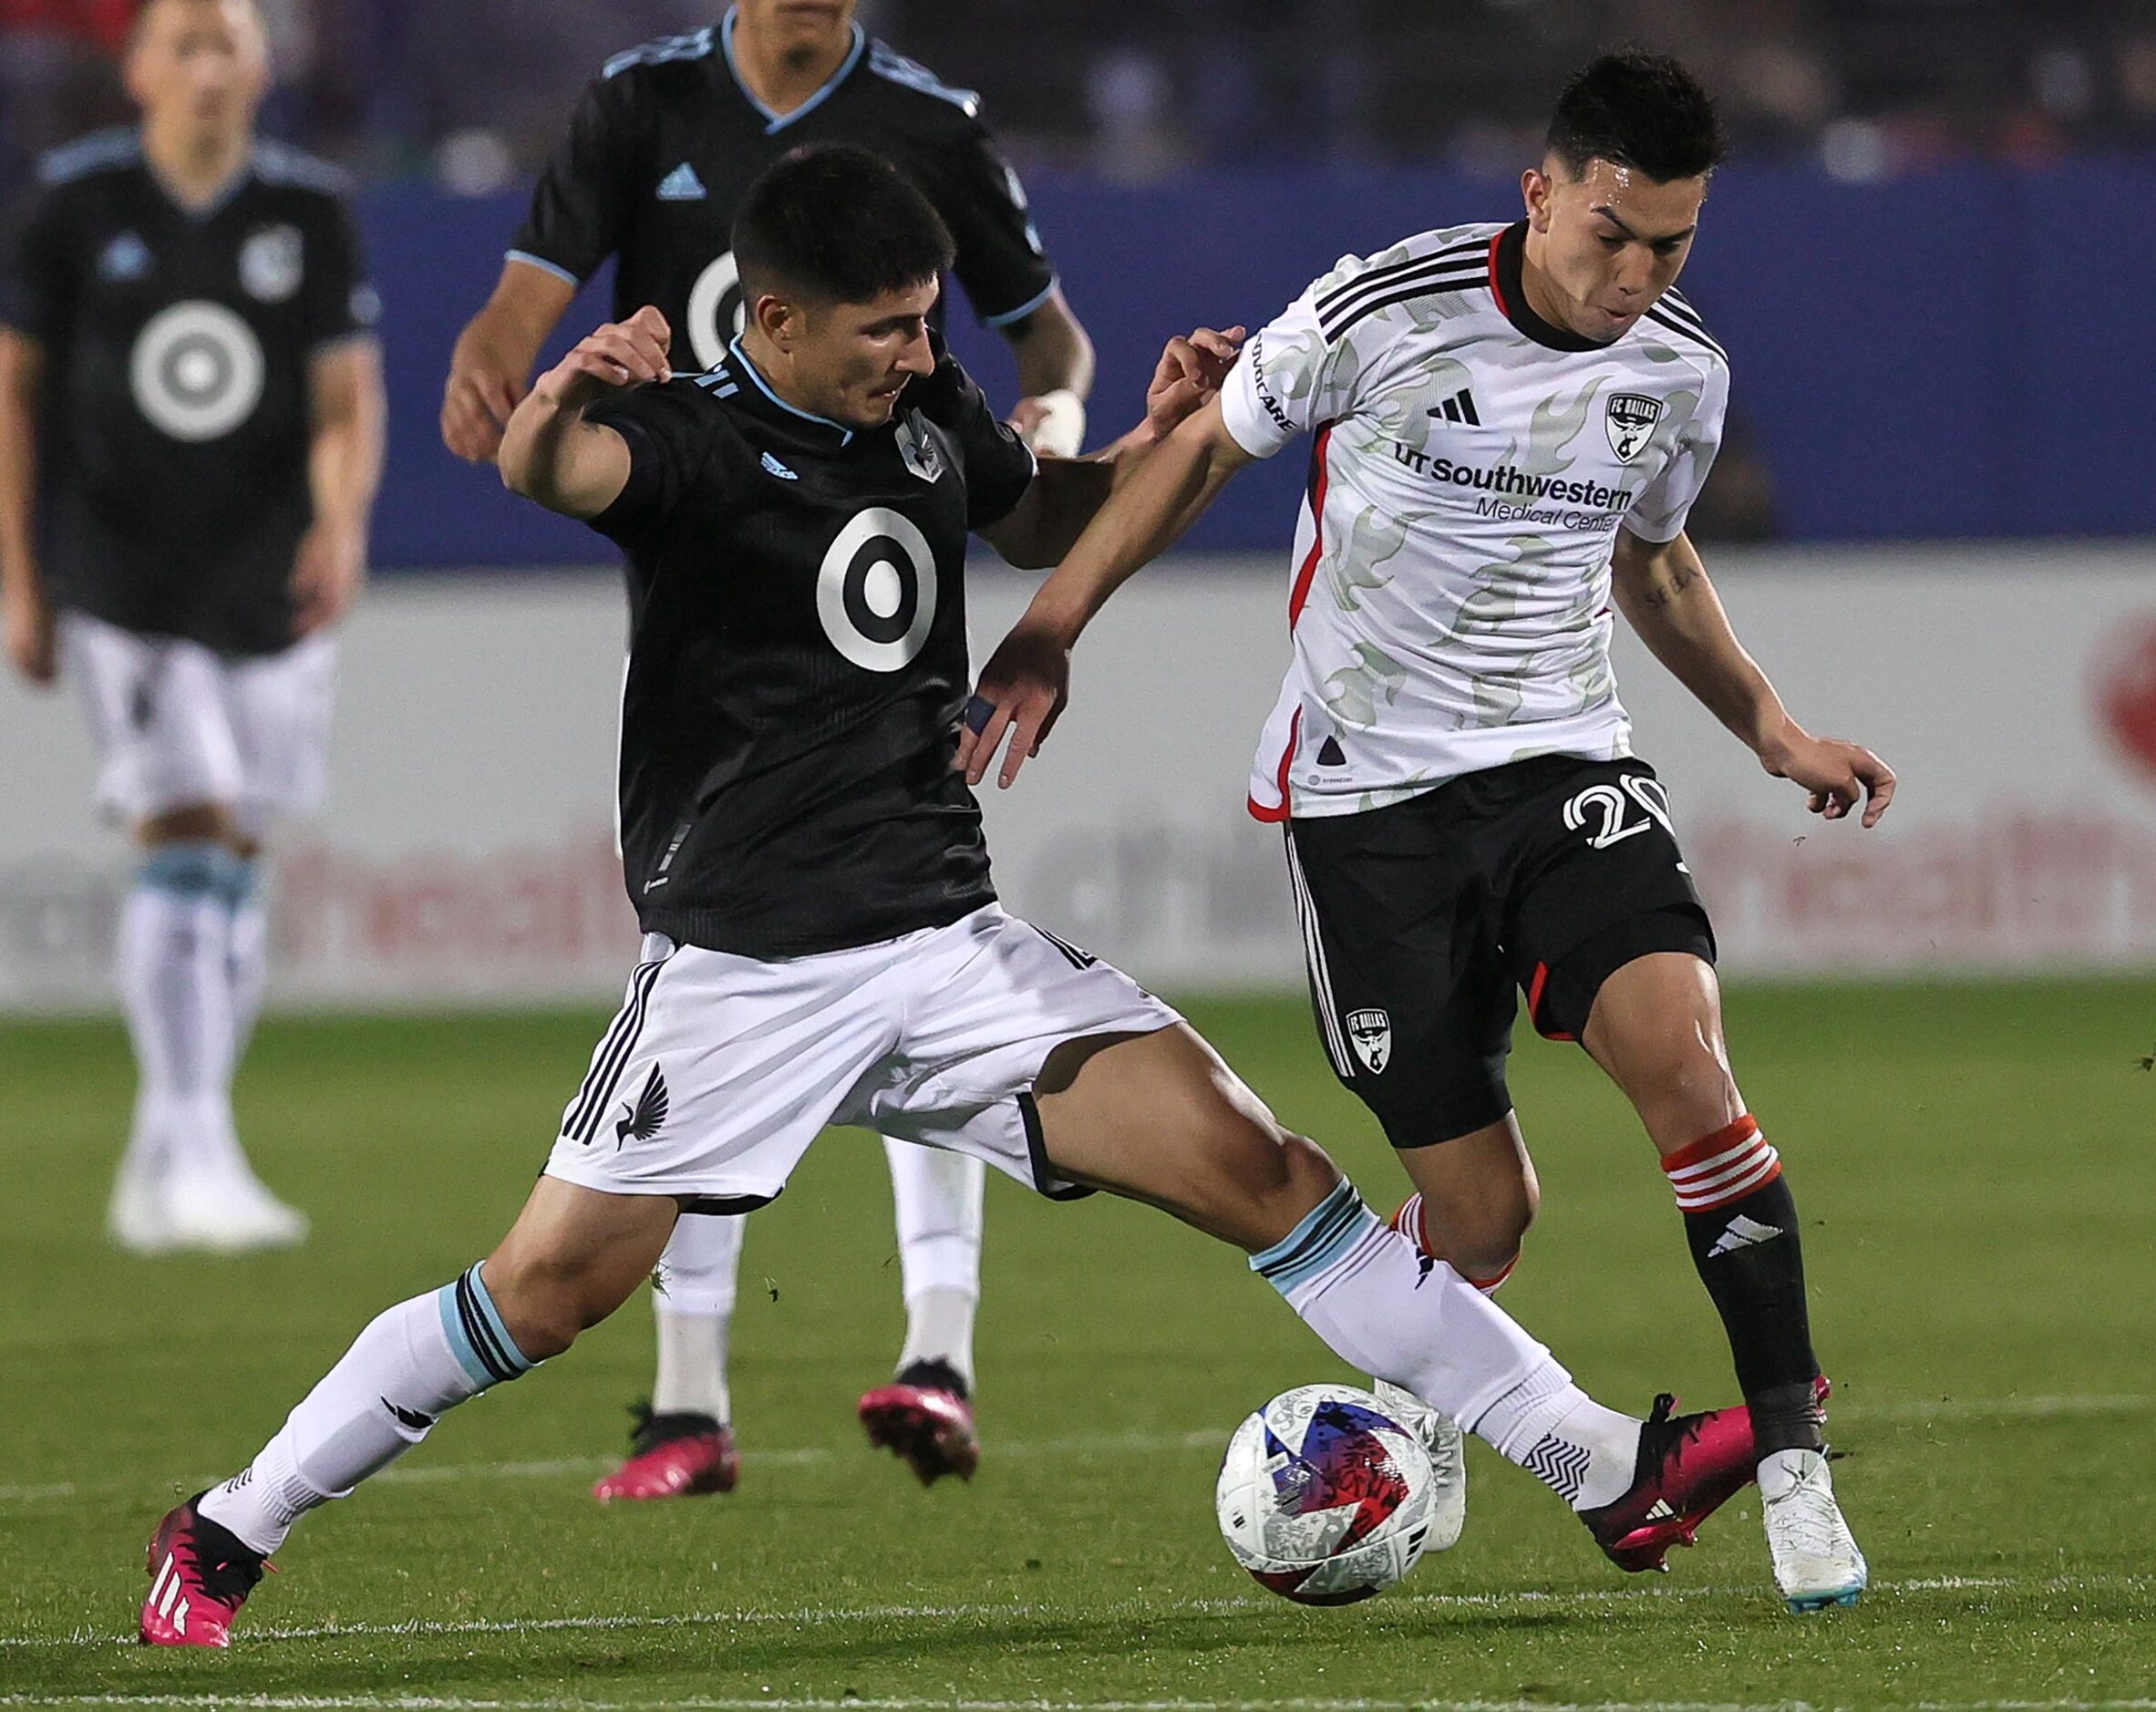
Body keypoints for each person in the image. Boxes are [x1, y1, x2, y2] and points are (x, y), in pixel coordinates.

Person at [138, 145, 1761, 1649]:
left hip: (948, 943)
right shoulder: (688, 445)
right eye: (883, 331)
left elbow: (1036, 507)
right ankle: (226, 1527)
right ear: (770, 317)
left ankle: (1608, 1465)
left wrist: (1147, 432)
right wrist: (562, 390)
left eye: (926, 324)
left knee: (1264, 1172)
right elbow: (543, 472)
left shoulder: (922, 421)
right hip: (744, 969)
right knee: (542, 1295)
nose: (917, 353)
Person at [956, 52, 1887, 1614]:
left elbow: (1649, 565)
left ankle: (1791, 1466)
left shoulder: (1676, 371)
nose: (1633, 274)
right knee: (1480, 1209)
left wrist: (1768, 728)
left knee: (1686, 1065)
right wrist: (1050, 629)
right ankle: (1442, 1387)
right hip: (1364, 805)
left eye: (1669, 244)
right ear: (1539, 194)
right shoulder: (1379, 311)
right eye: (1609, 232)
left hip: (1563, 769)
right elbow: (1194, 450)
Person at [439, 0, 1100, 1499]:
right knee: (749, 970)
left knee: (896, 938)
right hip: (704, 594)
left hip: (877, 579)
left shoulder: (927, 122)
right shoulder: (639, 103)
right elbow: (520, 303)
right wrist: (506, 369)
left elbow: (1044, 335)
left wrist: (1035, 435)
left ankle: (927, 1353)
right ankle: (691, 1397)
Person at [0, 0, 385, 1253]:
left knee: (235, 856)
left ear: (263, 66)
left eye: (232, 43)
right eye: (188, 43)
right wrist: (18, 571)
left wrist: (339, 524)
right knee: (191, 818)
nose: (211, 68)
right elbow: (16, 394)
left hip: (265, 573)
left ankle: (164, 1159)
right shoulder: (75, 203)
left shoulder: (308, 211)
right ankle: (197, 1139)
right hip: (122, 568)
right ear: (140, 67)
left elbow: (344, 399)